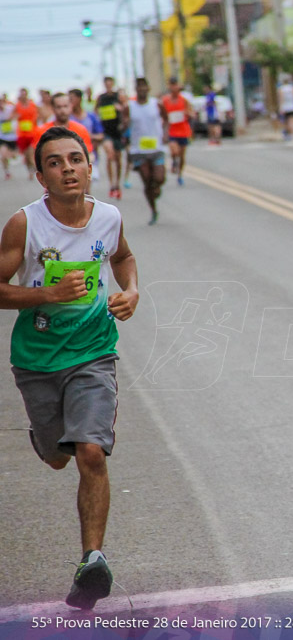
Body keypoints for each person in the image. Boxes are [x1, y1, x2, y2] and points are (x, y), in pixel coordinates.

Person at [0, 126, 139, 610]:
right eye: (55, 163)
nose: (68, 169)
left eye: (75, 159)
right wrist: (46, 294)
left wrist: (132, 291)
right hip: (37, 360)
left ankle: (92, 560)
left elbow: (123, 258)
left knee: (90, 453)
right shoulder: (24, 225)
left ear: (89, 165)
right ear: (41, 176)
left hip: (94, 352)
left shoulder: (109, 217)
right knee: (58, 455)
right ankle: (44, 439)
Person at [126, 77, 168, 225]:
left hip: (156, 148)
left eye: (144, 87)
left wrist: (166, 134)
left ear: (148, 89)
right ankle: (153, 209)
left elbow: (166, 119)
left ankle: (156, 188)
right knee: (146, 180)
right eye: (139, 87)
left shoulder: (156, 104)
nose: (142, 90)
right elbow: (124, 125)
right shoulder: (129, 106)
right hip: (139, 150)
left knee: (159, 178)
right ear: (136, 89)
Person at [68, 89, 105, 191]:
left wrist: (89, 136)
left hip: (89, 155)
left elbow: (101, 135)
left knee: (86, 191)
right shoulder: (67, 118)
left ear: (80, 99)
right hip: (70, 157)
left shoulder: (91, 117)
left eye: (72, 99)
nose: (70, 102)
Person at [95, 77, 126, 197]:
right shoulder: (101, 98)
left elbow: (126, 110)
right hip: (106, 130)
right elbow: (96, 111)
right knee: (110, 154)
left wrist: (121, 109)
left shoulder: (118, 96)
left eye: (110, 83)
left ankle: (117, 183)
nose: (108, 85)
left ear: (113, 84)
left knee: (118, 158)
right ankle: (111, 183)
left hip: (117, 130)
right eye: (106, 83)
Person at [161, 77, 192, 187]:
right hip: (172, 130)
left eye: (175, 85)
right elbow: (162, 116)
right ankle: (174, 161)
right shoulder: (165, 101)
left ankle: (180, 174)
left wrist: (187, 114)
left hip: (183, 130)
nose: (173, 87)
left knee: (182, 156)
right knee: (174, 151)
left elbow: (191, 113)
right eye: (171, 85)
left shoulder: (184, 100)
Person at [14, 88, 39, 178]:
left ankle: (36, 170)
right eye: (21, 94)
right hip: (21, 134)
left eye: (24, 94)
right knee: (25, 155)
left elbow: (38, 115)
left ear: (27, 94)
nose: (23, 96)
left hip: (32, 133)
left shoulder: (32, 105)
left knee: (30, 153)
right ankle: (30, 171)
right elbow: (12, 116)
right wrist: (16, 116)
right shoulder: (17, 106)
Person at [277, 74, 293, 140]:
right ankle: (292, 133)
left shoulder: (281, 89)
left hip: (285, 107)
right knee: (292, 120)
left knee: (286, 121)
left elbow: (281, 98)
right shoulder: (292, 87)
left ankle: (289, 134)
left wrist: (281, 107)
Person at [0, 93, 16, 180]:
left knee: (12, 155)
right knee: (3, 155)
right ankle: (7, 172)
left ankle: (12, 157)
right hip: (2, 137)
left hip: (12, 136)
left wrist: (11, 117)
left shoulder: (10, 109)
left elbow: (18, 113)